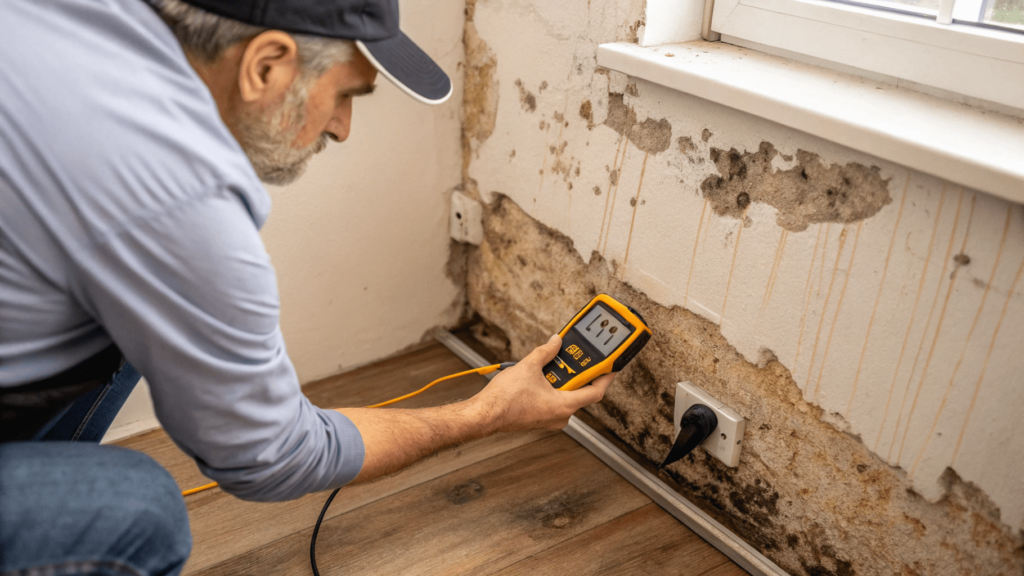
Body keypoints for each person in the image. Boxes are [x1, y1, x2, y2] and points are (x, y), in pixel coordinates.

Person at [0, 0, 615, 574]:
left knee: (139, 315)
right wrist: (486, 413)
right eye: (346, 95)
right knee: (139, 511)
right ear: (266, 65)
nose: (343, 128)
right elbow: (270, 457)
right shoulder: (175, 195)